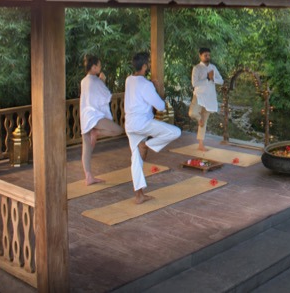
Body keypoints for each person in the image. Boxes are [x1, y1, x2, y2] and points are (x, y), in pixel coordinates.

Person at [124, 51, 181, 204]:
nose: (149, 65)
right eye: (148, 63)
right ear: (144, 66)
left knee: (136, 159)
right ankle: (147, 144)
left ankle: (139, 195)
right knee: (175, 132)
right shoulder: (146, 85)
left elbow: (139, 88)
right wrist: (154, 88)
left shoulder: (128, 80)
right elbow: (161, 106)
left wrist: (150, 85)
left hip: (129, 125)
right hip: (143, 124)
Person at [79, 55, 123, 186]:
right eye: (98, 65)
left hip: (85, 116)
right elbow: (106, 96)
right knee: (118, 130)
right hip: (94, 116)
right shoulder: (96, 81)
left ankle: (88, 176)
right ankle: (97, 132)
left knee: (86, 147)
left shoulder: (83, 81)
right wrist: (102, 80)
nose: (100, 67)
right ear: (93, 67)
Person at [188, 47, 223, 151]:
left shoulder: (213, 67)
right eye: (205, 55)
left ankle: (201, 144)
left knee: (205, 120)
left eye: (208, 55)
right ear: (200, 56)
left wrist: (213, 79)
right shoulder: (197, 68)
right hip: (199, 96)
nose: (207, 57)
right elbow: (194, 83)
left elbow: (221, 81)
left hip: (210, 97)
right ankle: (200, 119)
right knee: (192, 113)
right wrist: (207, 79)